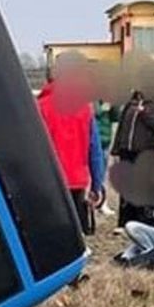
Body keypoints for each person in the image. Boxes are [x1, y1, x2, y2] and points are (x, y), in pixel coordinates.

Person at [37, 66, 105, 235]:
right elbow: (94, 150)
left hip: (49, 180)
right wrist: (97, 185)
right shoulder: (84, 109)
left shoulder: (39, 107)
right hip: (77, 179)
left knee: (52, 232)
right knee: (77, 233)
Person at [109, 90, 154, 228]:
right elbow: (121, 127)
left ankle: (141, 221)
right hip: (126, 150)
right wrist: (116, 150)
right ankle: (123, 222)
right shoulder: (131, 100)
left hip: (145, 151)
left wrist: (145, 114)